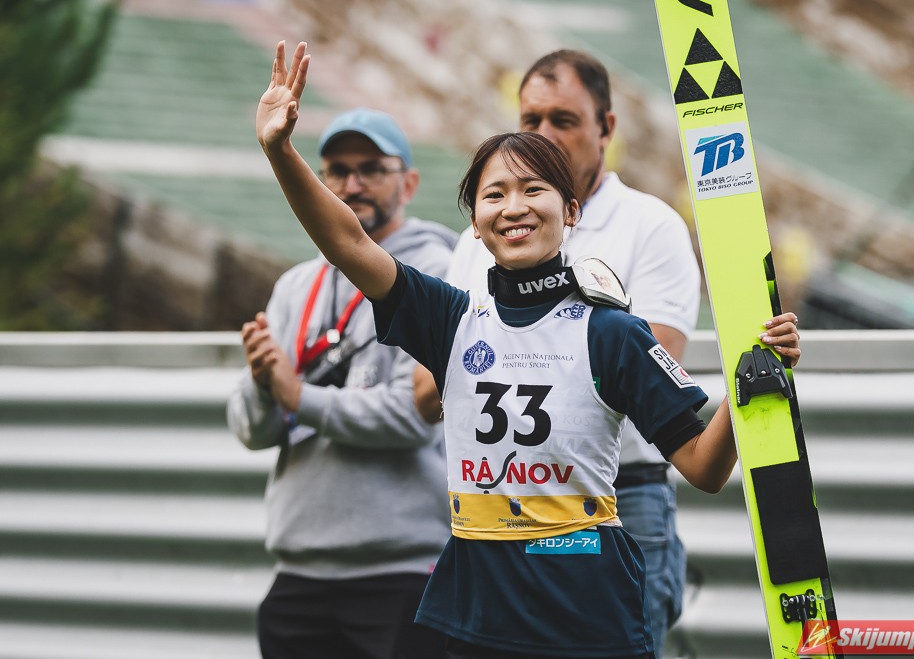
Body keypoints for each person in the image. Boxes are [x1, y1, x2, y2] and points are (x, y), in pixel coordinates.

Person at [254, 41, 801, 658]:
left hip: (587, 615)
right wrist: (280, 150)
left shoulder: (613, 331)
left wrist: (752, 381)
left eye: (534, 189)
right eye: (494, 195)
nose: (513, 207)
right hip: (476, 615)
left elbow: (705, 467)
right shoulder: (450, 318)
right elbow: (349, 242)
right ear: (475, 223)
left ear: (571, 210)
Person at [413, 49, 710, 655]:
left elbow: (648, 369)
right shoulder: (484, 235)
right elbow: (426, 390)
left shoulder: (651, 225)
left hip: (621, 495)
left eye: (564, 119)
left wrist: (521, 350)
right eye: (531, 119)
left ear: (606, 127)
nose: (545, 133)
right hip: (499, 503)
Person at [227, 103, 456, 659]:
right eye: (338, 170)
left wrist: (297, 396)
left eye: (371, 169)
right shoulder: (295, 286)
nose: (353, 185)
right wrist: (263, 384)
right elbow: (253, 431)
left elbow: (414, 418)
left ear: (409, 182)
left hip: (402, 571)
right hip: (299, 567)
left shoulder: (440, 272)